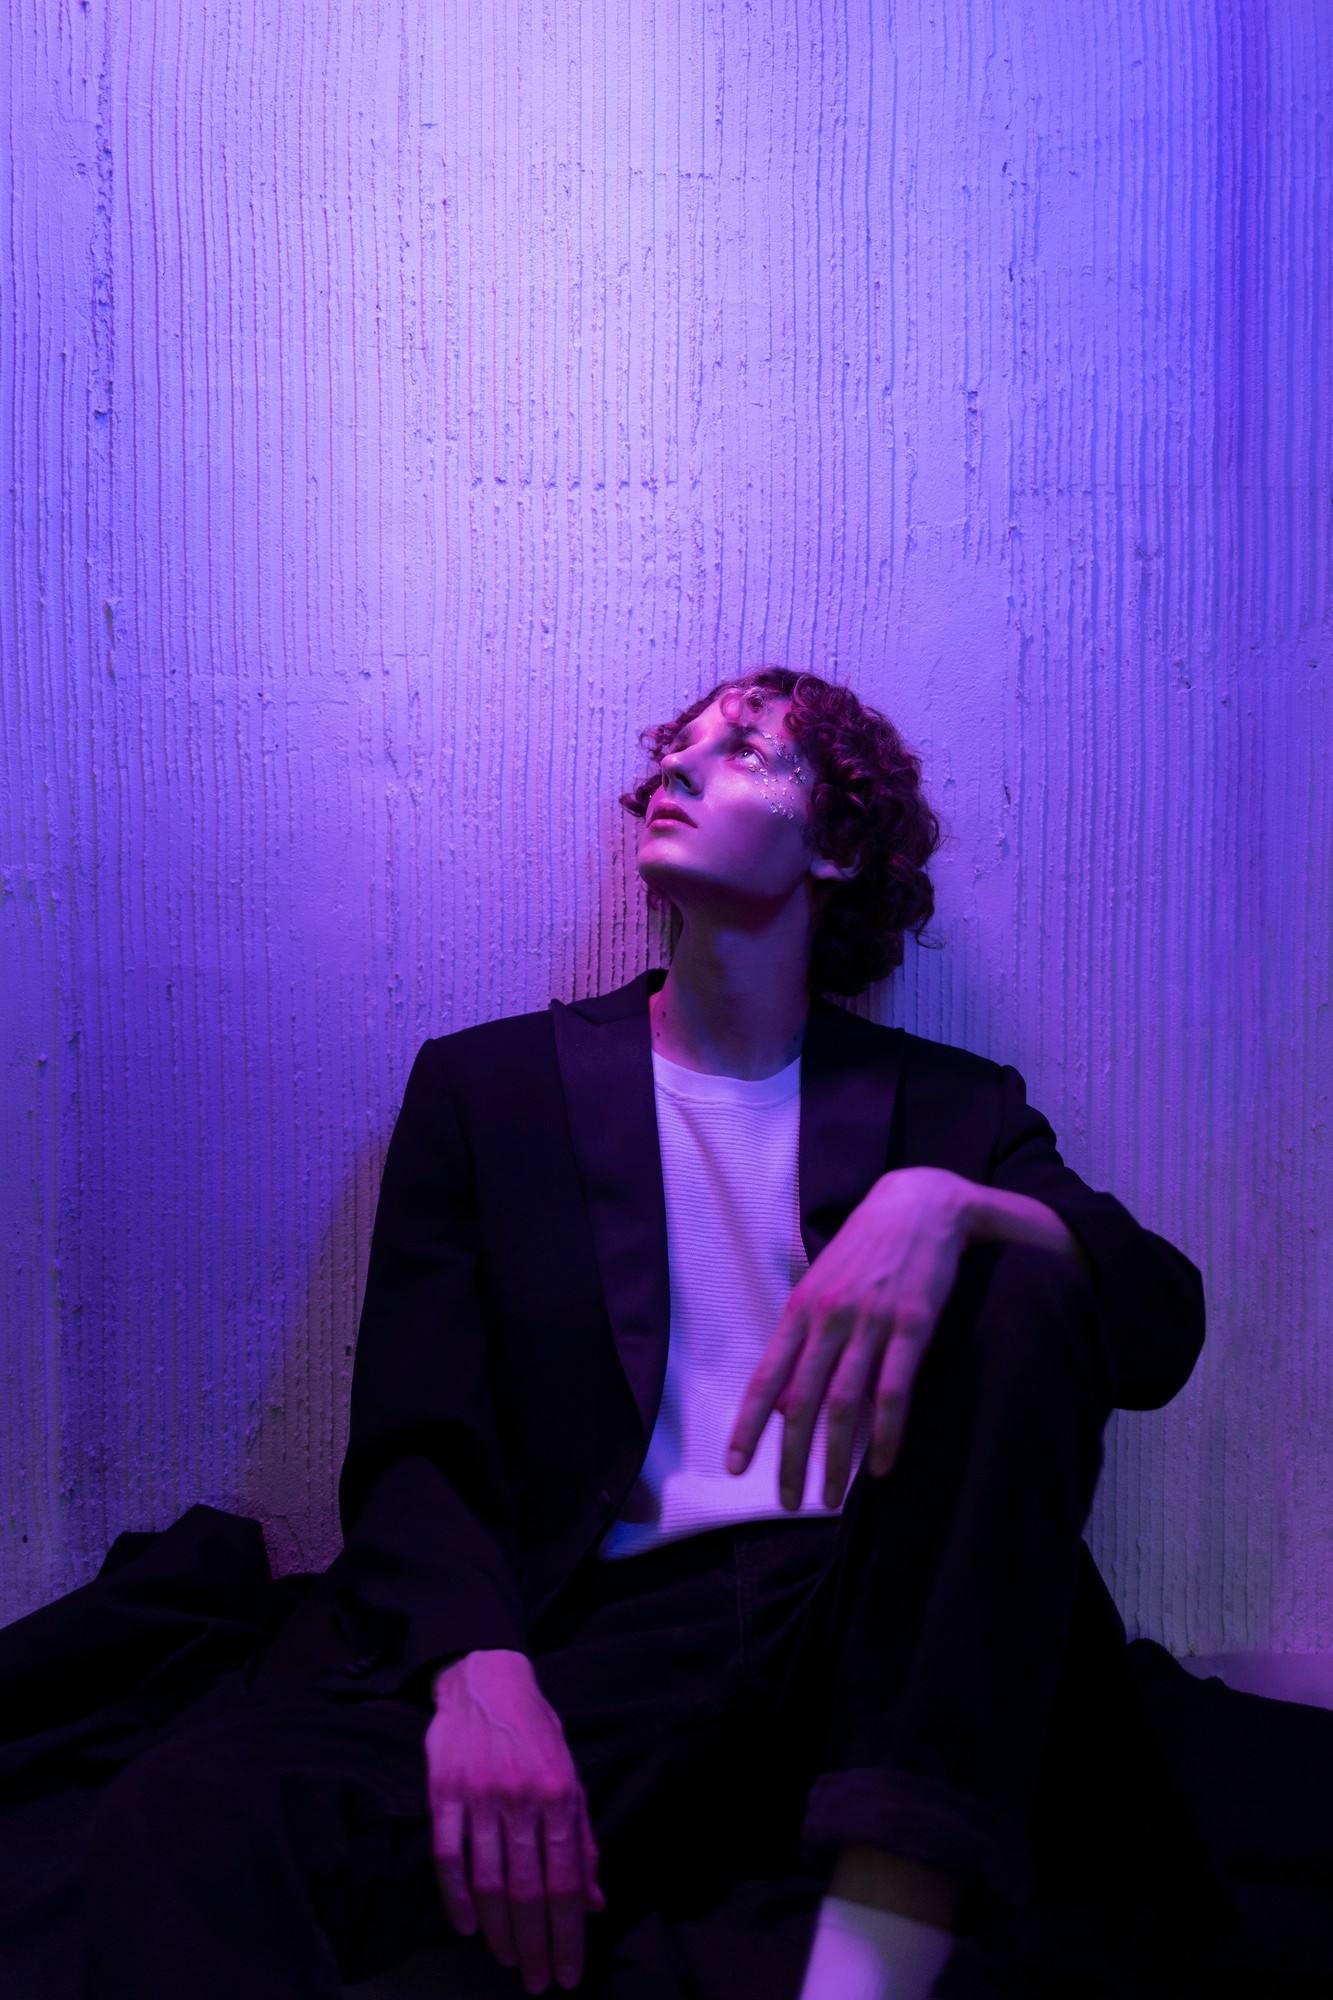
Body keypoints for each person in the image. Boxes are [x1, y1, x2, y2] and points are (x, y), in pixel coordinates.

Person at [79, 668, 1205, 2000]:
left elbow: (1153, 1325)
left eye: (741, 752)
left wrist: (943, 1203)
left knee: (1028, 1270)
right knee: (198, 1813)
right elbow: (417, 1440)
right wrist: (479, 1670)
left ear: (837, 846)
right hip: (599, 1631)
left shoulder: (949, 1111)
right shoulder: (488, 1091)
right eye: (672, 746)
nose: (674, 764)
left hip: (860, 1628)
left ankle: (876, 1945)